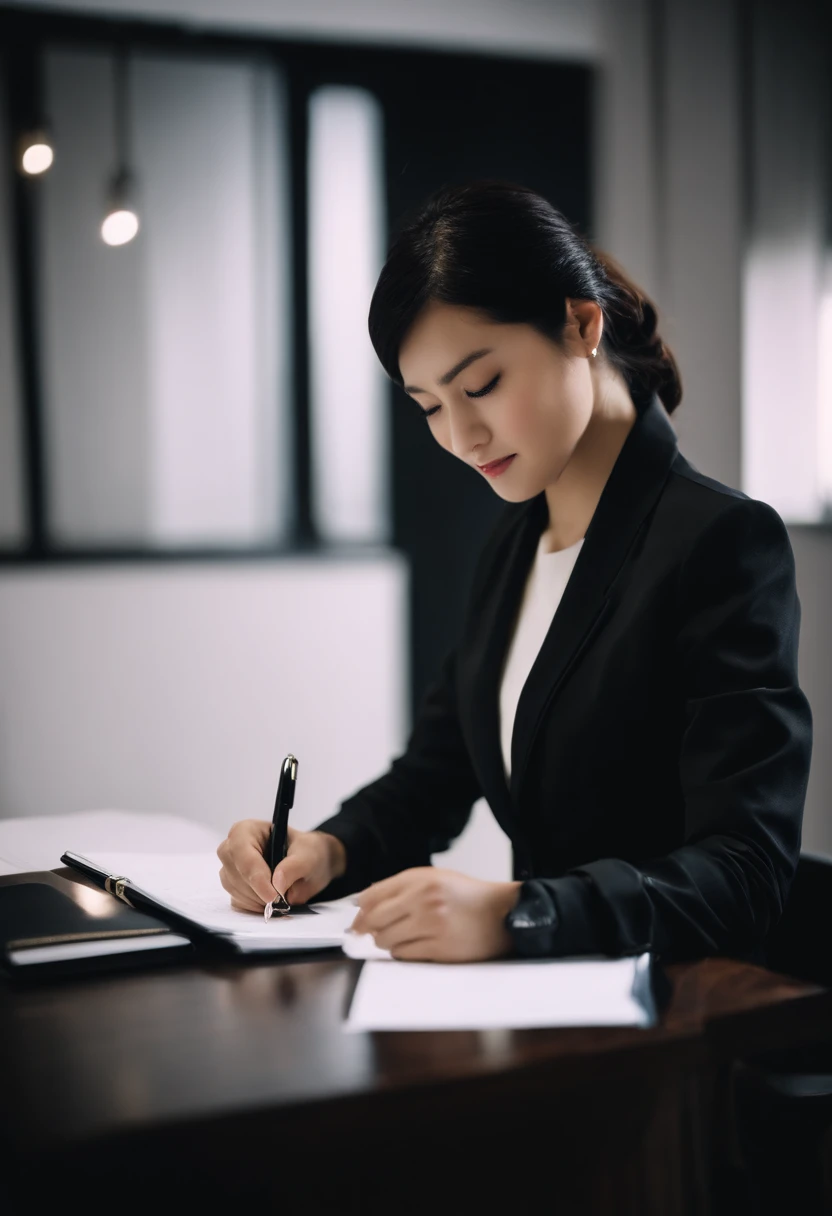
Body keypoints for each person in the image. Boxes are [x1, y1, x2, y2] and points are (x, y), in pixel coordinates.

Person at [218, 179, 813, 965]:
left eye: (481, 386)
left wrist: (521, 915)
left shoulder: (721, 541)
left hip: (676, 1022)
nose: (462, 435)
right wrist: (325, 850)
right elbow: (435, 774)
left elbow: (747, 872)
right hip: (546, 1014)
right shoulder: (514, 539)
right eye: (429, 406)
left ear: (580, 323)